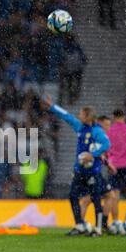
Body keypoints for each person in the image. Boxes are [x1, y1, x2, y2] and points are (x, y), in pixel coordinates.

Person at [45, 95, 110, 236]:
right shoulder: (80, 127)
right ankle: (80, 224)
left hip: (93, 171)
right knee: (73, 196)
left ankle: (98, 229)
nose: (78, 115)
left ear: (87, 117)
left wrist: (93, 155)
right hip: (80, 171)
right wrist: (53, 107)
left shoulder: (97, 131)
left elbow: (106, 144)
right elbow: (67, 117)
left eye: (81, 113)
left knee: (96, 199)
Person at [80, 115, 117, 231]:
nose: (108, 127)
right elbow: (97, 152)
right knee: (109, 195)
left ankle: (80, 223)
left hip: (88, 171)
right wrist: (108, 164)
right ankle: (102, 223)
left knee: (88, 199)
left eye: (109, 125)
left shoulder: (94, 134)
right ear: (100, 124)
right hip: (93, 172)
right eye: (107, 125)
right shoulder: (98, 135)